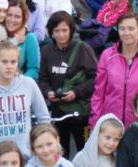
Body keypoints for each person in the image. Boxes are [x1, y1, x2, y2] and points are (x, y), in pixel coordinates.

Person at [0, 42, 51, 156]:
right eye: (4, 62)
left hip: (26, 158)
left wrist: (36, 145)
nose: (9, 66)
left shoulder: (28, 84)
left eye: (13, 62)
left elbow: (44, 118)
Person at [90, 13, 138, 130]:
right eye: (122, 29)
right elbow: (98, 93)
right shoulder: (107, 56)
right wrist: (94, 123)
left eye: (131, 29)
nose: (126, 33)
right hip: (111, 124)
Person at [38, 12, 98, 156]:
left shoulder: (83, 48)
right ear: (51, 32)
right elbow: (43, 79)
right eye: (56, 31)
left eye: (64, 30)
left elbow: (96, 78)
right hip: (58, 111)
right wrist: (48, 92)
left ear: (71, 30)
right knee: (60, 152)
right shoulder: (47, 51)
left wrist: (76, 92)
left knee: (84, 151)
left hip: (80, 113)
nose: (61, 35)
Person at [5, 1, 41, 79]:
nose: (12, 20)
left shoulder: (29, 38)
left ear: (24, 19)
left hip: (19, 81)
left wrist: (18, 81)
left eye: (17, 17)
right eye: (9, 15)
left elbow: (34, 70)